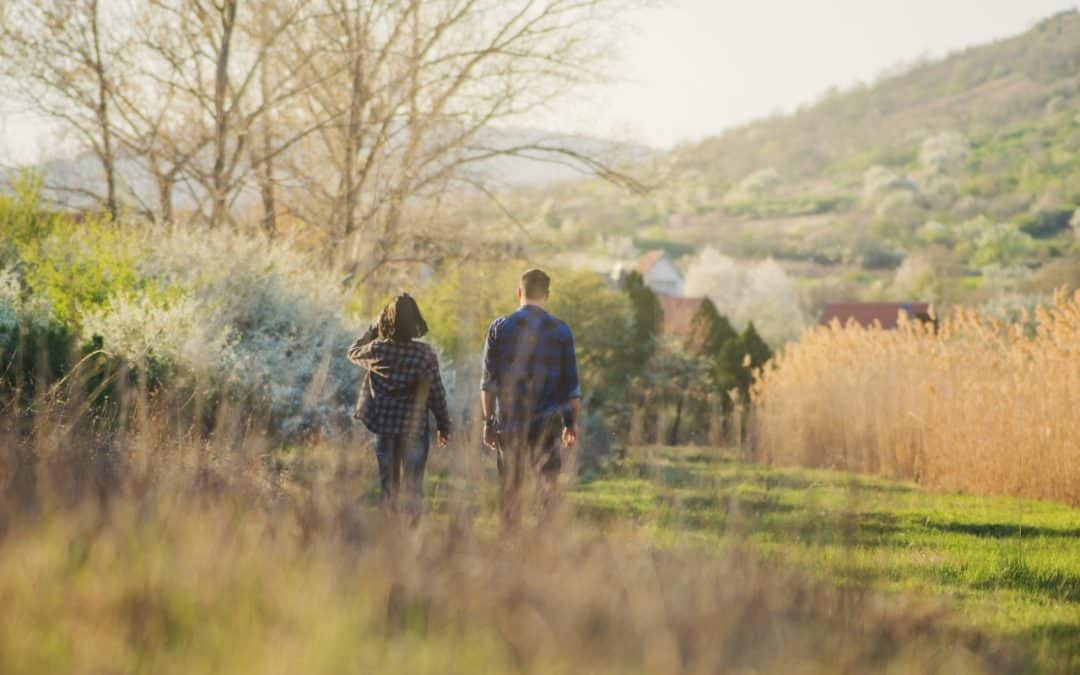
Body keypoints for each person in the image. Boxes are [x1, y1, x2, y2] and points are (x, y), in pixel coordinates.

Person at [480, 268, 580, 526]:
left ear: (519, 292)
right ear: (547, 294)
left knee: (510, 487)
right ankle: (546, 544)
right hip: (547, 421)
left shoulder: (499, 328)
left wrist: (488, 423)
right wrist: (571, 424)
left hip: (509, 422)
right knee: (548, 484)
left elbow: (488, 383)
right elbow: (570, 386)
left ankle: (510, 543)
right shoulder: (561, 331)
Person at [347, 293, 451, 523]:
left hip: (384, 427)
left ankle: (388, 536)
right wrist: (444, 424)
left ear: (387, 320)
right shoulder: (424, 354)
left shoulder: (377, 349)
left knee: (388, 486)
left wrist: (373, 329)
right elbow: (436, 393)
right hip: (414, 429)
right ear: (415, 319)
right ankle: (412, 537)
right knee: (414, 486)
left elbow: (352, 351)